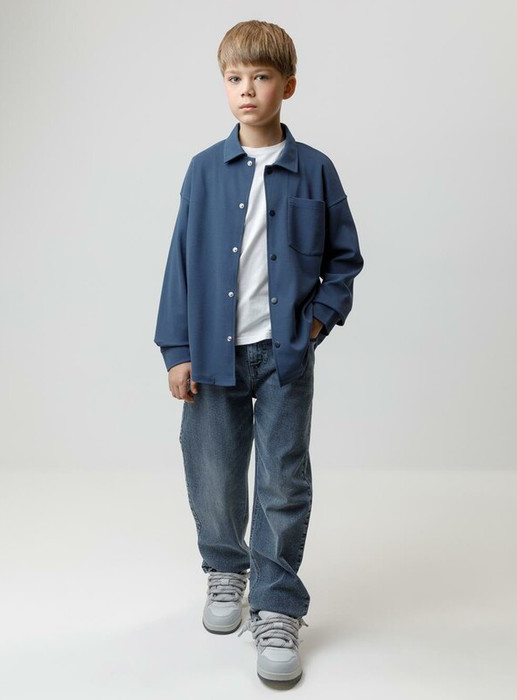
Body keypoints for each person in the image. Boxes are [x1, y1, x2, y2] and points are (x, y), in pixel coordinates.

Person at [154, 19, 363, 686]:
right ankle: (225, 569)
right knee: (212, 470)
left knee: (281, 481)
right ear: (224, 85)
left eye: (261, 77)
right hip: (212, 356)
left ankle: (277, 607)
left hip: (284, 357)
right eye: (234, 78)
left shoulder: (315, 170)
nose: (247, 90)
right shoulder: (203, 171)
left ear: (287, 86)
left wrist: (316, 323)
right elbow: (179, 263)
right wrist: (177, 349)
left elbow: (343, 260)